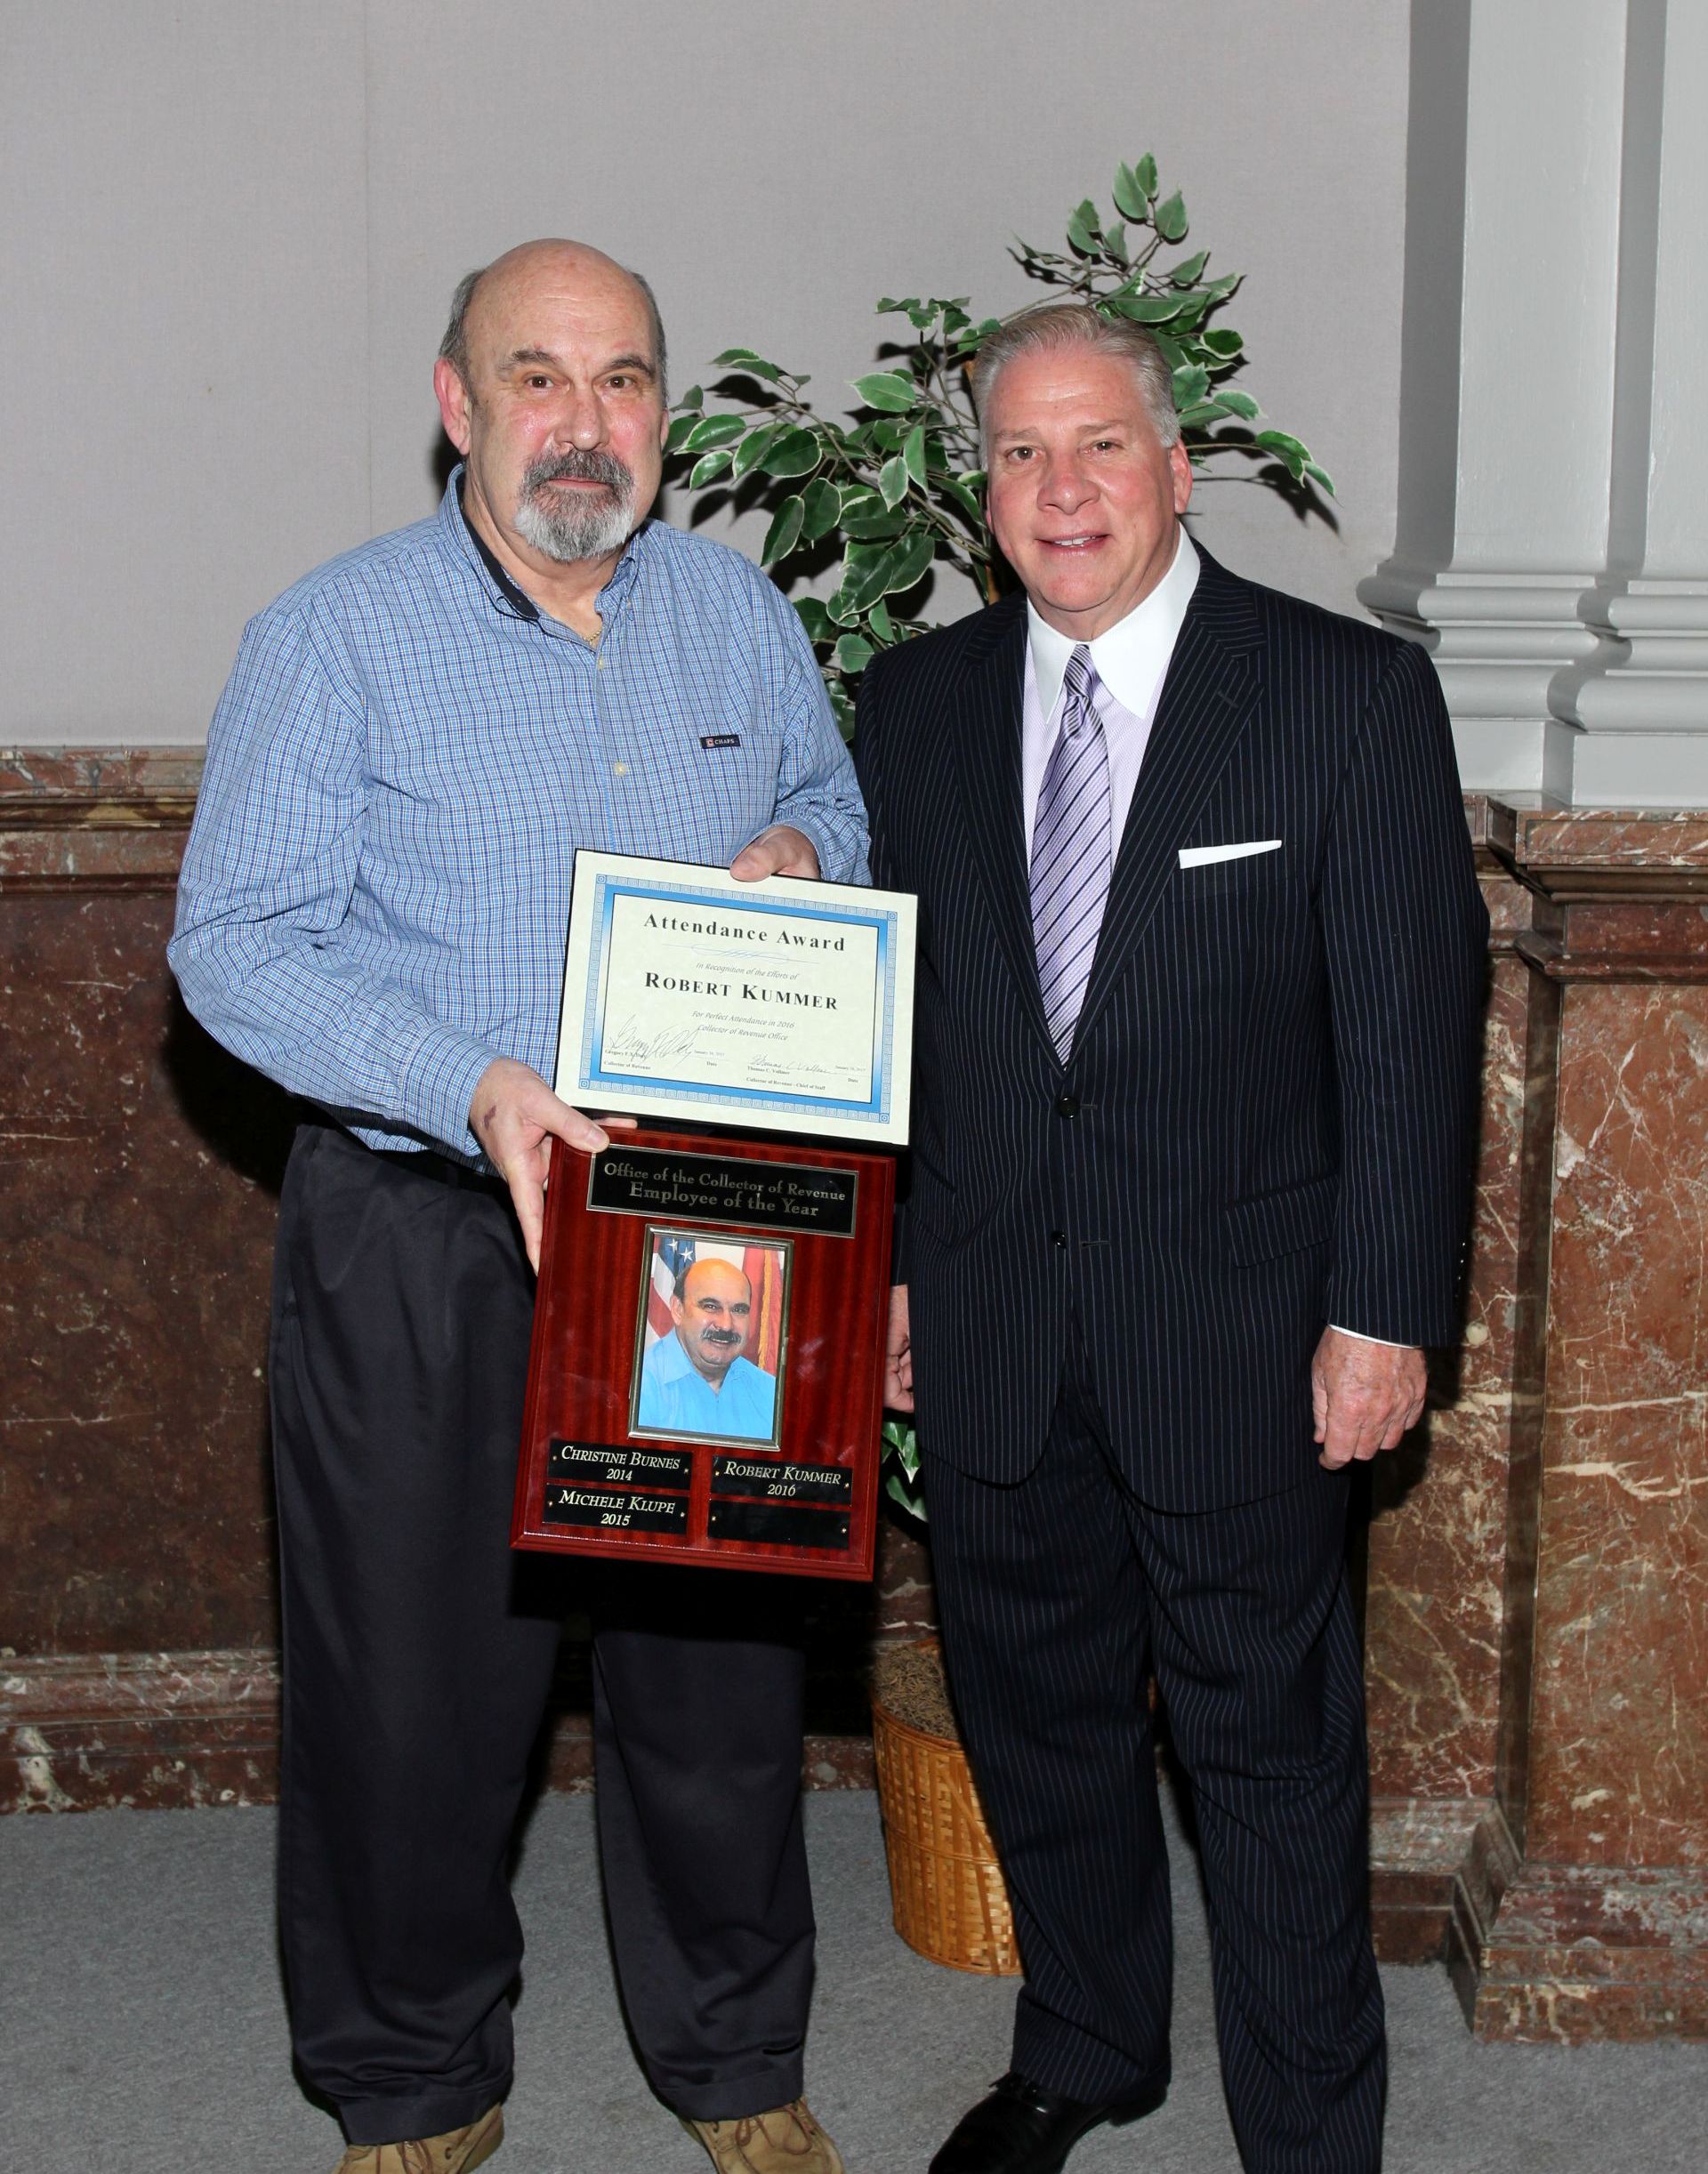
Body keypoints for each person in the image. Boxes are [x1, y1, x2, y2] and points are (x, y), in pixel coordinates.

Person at [170, 239, 863, 2174]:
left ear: (668, 411)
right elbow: (233, 948)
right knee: (411, 1685)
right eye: (538, 378)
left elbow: (837, 800)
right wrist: (473, 1087)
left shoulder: (738, 620)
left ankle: (738, 2057)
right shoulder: (336, 636)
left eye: (625, 379)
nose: (587, 422)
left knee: (718, 1680)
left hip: (702, 1227)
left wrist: (809, 837)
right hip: (426, 1228)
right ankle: (414, 2076)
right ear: (460, 407)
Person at [855, 302, 1487, 2174]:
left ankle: (1309, 2134)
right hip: (987, 1327)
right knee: (1031, 1711)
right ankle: (1088, 2043)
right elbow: (916, 1036)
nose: (1063, 490)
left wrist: (1383, 1311)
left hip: (1242, 1334)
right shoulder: (916, 705)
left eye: (1099, 445)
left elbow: (1405, 1034)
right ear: (984, 494)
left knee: (1272, 1768)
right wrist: (888, 1267)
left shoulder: (1342, 699)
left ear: (1175, 464)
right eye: (1021, 456)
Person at [638, 1257, 779, 1441]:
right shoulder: (639, 1386)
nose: (726, 1325)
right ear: (678, 1309)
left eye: (739, 1310)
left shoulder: (770, 1392)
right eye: (711, 1306)